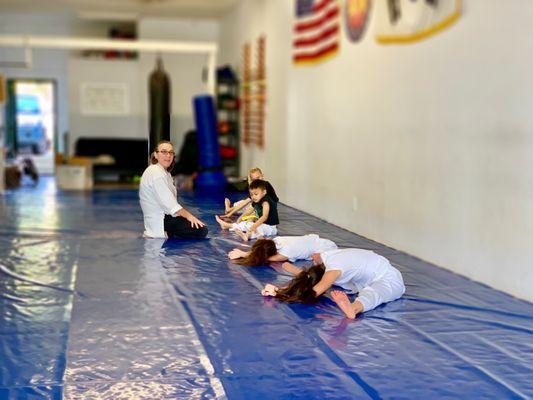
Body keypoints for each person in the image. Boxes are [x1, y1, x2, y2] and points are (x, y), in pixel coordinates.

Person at [261, 248, 405, 319]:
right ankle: (354, 303)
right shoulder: (328, 259)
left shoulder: (333, 271)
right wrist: (282, 288)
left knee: (374, 293)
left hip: (389, 278)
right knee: (353, 287)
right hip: (367, 274)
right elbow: (313, 265)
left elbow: (313, 291)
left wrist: (282, 294)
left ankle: (354, 308)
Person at [139, 140, 207, 239]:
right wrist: (190, 217)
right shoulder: (156, 173)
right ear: (156, 155)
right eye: (164, 152)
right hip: (160, 220)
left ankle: (169, 232)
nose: (168, 155)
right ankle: (167, 233)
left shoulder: (163, 172)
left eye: (171, 152)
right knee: (201, 230)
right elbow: (171, 205)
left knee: (195, 223)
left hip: (165, 215)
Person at [228, 234, 337, 271]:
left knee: (318, 263)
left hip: (327, 248)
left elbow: (263, 257)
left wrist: (243, 254)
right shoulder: (276, 241)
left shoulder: (285, 252)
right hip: (316, 241)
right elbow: (261, 250)